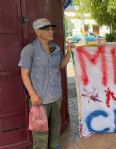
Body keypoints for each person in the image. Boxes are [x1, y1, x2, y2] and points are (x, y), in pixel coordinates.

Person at [18, 18, 74, 149]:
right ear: (37, 32)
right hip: (39, 98)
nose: (50, 31)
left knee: (55, 125)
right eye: (46, 29)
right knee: (40, 131)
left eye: (51, 28)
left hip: (55, 95)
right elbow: (24, 74)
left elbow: (61, 65)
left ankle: (54, 145)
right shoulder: (29, 50)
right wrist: (32, 95)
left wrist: (69, 53)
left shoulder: (55, 48)